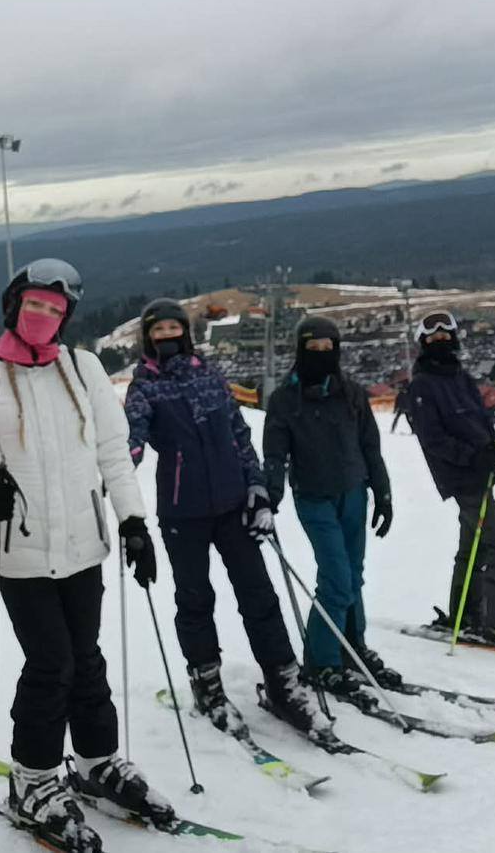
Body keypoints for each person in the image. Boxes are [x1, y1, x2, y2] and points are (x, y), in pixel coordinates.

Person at [0, 259, 171, 852]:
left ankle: (96, 762)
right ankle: (32, 779)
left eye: (54, 310)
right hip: (21, 554)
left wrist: (133, 520)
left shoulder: (84, 369)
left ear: (66, 318)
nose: (42, 316)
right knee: (50, 663)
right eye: (33, 305)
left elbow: (112, 451)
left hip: (83, 545)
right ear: (13, 307)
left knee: (85, 658)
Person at [123, 299, 328, 737]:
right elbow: (132, 441)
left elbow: (238, 433)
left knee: (259, 594)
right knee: (195, 598)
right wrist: (115, 474)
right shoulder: (144, 387)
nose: (167, 336)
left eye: (173, 328)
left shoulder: (210, 375)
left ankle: (283, 680)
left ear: (185, 332)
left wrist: (256, 487)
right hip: (183, 509)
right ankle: (208, 685)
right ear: (147, 337)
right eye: (158, 330)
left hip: (233, 503)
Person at [261, 317, 394, 693]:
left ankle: (352, 647)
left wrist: (382, 494)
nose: (321, 354)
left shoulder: (351, 393)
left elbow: (370, 447)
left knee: (353, 575)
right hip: (314, 497)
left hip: (353, 493)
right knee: (336, 578)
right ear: (300, 350)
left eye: (327, 348)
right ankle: (322, 660)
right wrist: (270, 496)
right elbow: (275, 454)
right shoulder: (285, 400)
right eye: (313, 348)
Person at [406, 311, 495, 651]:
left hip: (481, 476)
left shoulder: (461, 378)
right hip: (462, 480)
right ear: (423, 344)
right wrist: (473, 457)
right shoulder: (421, 386)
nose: (441, 342)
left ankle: (465, 615)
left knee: (473, 549)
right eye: (433, 339)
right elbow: (433, 439)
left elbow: (481, 423)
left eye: (446, 337)